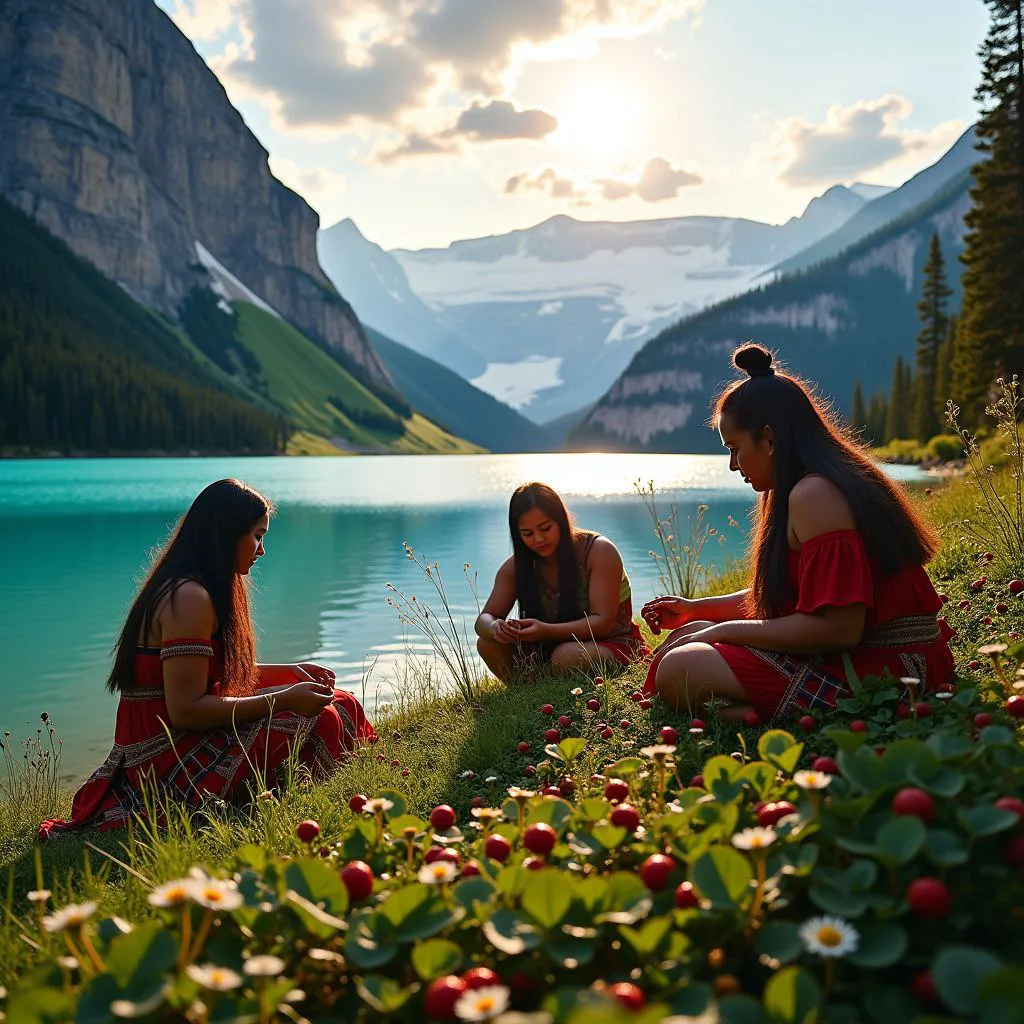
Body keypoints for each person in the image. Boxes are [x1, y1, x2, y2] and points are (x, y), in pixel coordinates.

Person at [39, 479, 375, 839]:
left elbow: (213, 676)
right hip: (166, 754)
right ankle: (273, 803)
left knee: (343, 703)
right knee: (322, 720)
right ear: (227, 534)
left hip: (185, 734)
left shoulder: (201, 586)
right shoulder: (189, 597)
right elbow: (186, 709)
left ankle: (278, 791)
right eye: (258, 536)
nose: (261, 550)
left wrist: (291, 673)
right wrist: (285, 699)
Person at [641, 344, 954, 722]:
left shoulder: (816, 495)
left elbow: (839, 629)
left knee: (680, 667)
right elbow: (795, 596)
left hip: (891, 672)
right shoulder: (804, 485)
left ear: (769, 439)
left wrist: (724, 632)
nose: (732, 464)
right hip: (868, 659)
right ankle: (746, 708)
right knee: (685, 638)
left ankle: (749, 712)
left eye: (735, 448)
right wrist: (697, 611)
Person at [475, 482, 650, 682]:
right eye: (528, 534)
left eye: (545, 528)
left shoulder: (599, 552)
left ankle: (547, 682)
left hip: (611, 644)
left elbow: (602, 623)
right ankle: (526, 691)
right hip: (547, 650)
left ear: (562, 520)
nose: (538, 539)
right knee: (487, 644)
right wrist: (495, 627)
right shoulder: (516, 567)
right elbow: (483, 620)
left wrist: (544, 630)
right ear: (517, 534)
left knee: (566, 656)